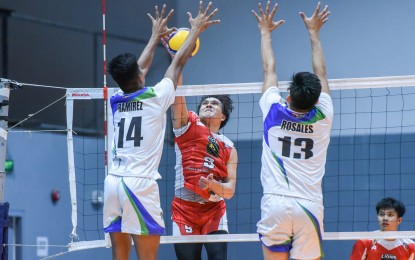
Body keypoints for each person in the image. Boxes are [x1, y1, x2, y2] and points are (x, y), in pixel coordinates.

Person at [103, 2, 220, 260]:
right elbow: (177, 62)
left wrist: (156, 36)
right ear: (140, 76)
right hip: (139, 184)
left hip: (113, 182)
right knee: (148, 256)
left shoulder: (116, 100)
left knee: (119, 255)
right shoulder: (156, 97)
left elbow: (140, 70)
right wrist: (195, 31)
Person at [253, 1, 332, 259]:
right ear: (317, 99)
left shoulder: (273, 109)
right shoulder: (323, 116)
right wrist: (314, 32)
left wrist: (265, 32)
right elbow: (321, 72)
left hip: (276, 203)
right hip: (309, 204)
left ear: (288, 96)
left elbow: (269, 70)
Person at [168, 71, 238, 260]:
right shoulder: (186, 125)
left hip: (213, 210)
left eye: (214, 103)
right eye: (205, 102)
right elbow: (176, 93)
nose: (208, 104)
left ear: (223, 116)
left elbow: (229, 191)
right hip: (184, 209)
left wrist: (212, 185)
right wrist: (178, 61)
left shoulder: (229, 146)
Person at [350, 197, 415, 260]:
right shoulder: (364, 242)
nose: (385, 218)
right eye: (381, 214)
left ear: (399, 220)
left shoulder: (411, 246)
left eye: (390, 215)